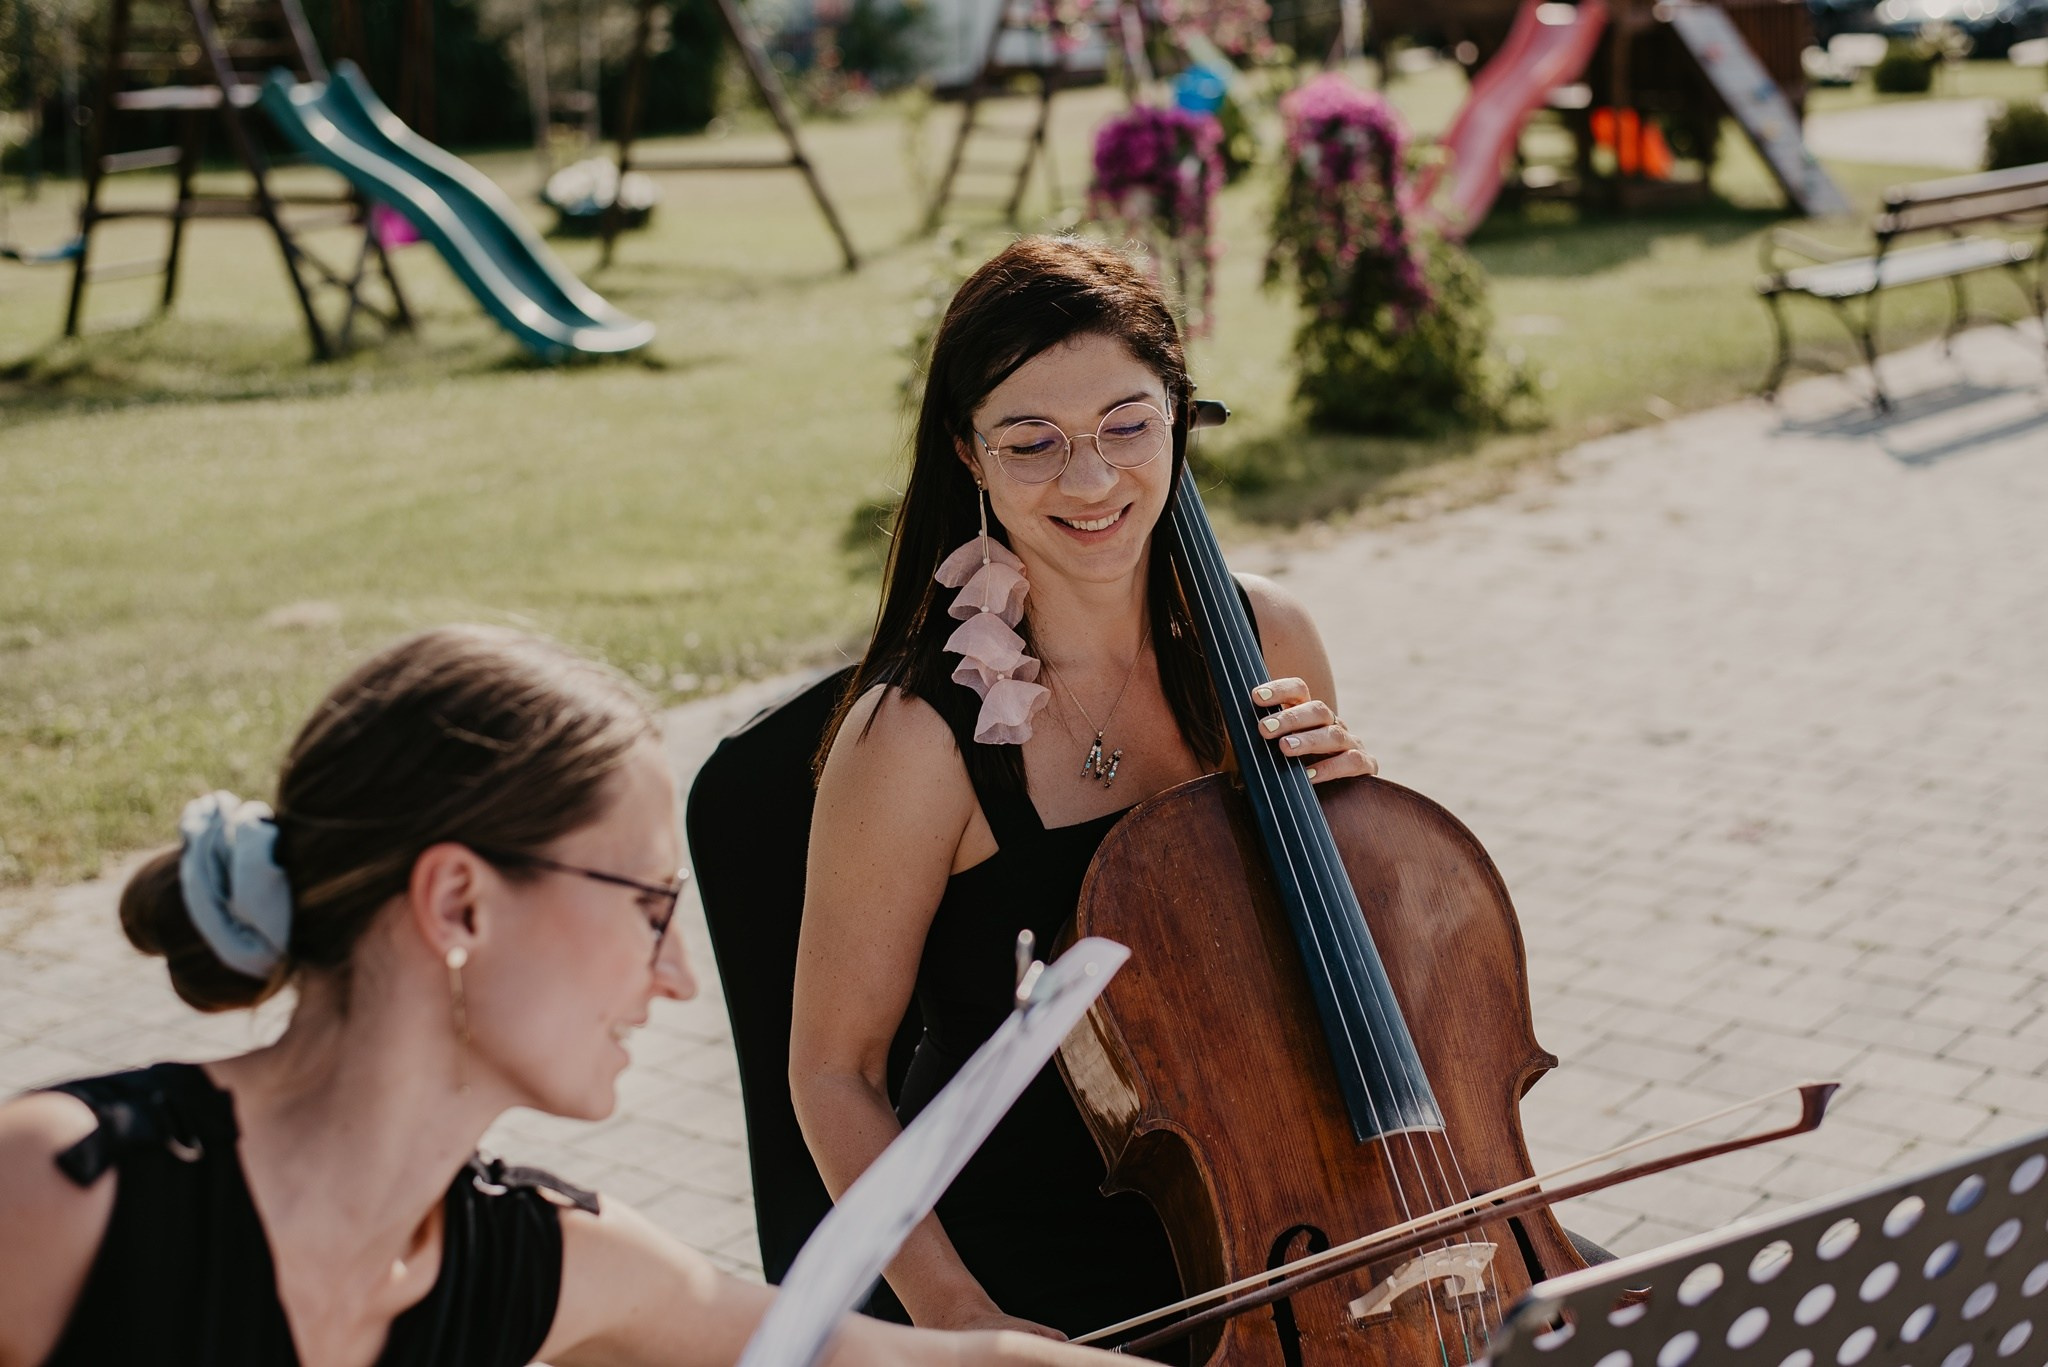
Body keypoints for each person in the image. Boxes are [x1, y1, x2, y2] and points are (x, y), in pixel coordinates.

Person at [0, 624, 1135, 1367]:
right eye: (648, 903)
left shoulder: (547, 1260)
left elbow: (947, 1364)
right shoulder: (60, 1190)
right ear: (459, 904)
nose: (677, 972)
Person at [791, 237, 1379, 1343]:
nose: (1092, 478)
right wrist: (963, 1317)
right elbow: (831, 1071)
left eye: (1126, 424)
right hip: (1028, 1268)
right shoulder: (913, 737)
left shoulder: (1269, 639)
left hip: (1283, 1206)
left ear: (1177, 416)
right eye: (1031, 442)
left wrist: (1361, 825)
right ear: (967, 454)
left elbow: (1335, 969)